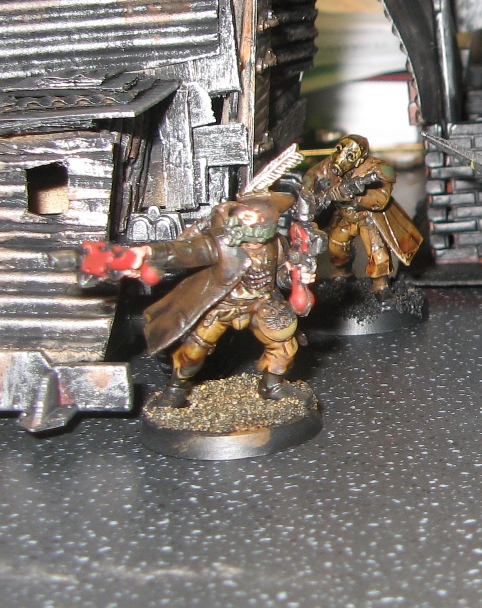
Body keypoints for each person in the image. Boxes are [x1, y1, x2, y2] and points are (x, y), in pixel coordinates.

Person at [85, 192, 320, 407]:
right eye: (251, 236)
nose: (256, 243)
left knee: (284, 344)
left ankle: (272, 385)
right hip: (223, 305)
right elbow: (182, 251)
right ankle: (176, 388)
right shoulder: (219, 245)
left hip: (262, 303)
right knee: (193, 352)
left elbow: (278, 277)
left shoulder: (276, 244)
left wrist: (295, 276)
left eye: (262, 235)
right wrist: (148, 252)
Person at [302, 134, 423, 296]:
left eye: (350, 156)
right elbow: (312, 175)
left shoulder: (375, 169)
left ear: (359, 160)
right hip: (344, 216)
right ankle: (342, 273)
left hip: (368, 218)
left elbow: (381, 199)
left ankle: (380, 285)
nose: (341, 158)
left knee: (378, 253)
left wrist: (355, 197)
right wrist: (311, 192)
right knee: (336, 247)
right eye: (340, 150)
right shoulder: (330, 163)